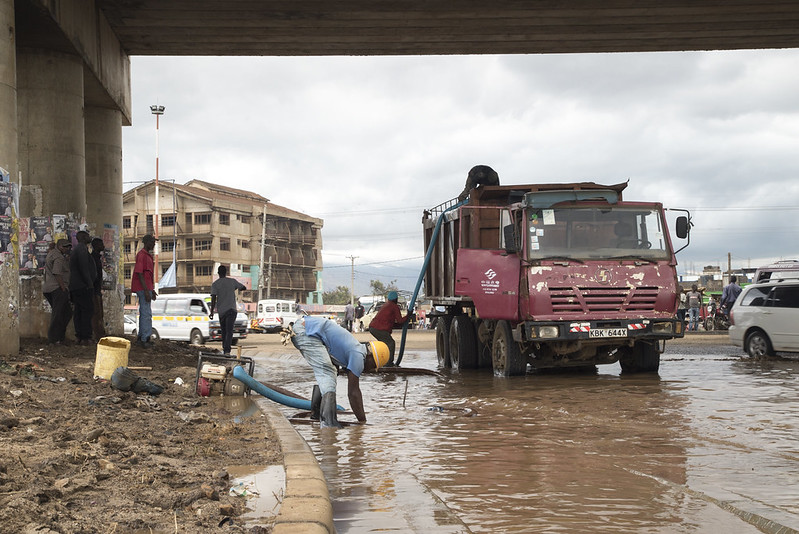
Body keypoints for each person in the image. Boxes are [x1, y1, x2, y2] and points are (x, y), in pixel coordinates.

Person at [289, 315, 390, 427]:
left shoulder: (355, 348)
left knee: (329, 372)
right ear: (370, 356)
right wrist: (362, 422)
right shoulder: (359, 356)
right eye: (372, 366)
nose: (368, 370)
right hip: (306, 331)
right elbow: (353, 393)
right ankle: (328, 423)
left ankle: (316, 414)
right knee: (328, 373)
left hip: (305, 328)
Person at [368, 291, 413, 366]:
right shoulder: (394, 306)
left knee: (385, 344)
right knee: (391, 343)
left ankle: (382, 361)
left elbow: (390, 321)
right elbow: (400, 320)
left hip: (373, 328)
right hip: (378, 329)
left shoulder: (386, 305)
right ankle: (389, 363)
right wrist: (408, 315)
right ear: (396, 299)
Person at [209, 265, 246, 356]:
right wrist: (236, 288)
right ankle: (227, 351)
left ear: (218, 273)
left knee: (224, 330)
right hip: (232, 310)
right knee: (229, 331)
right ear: (226, 273)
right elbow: (243, 287)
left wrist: (211, 312)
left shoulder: (215, 284)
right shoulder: (232, 281)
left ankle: (225, 349)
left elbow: (213, 298)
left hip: (222, 311)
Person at [69, 230, 96, 345]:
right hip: (82, 286)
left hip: (77, 286)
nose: (90, 238)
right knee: (86, 311)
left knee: (79, 311)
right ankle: (86, 337)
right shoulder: (81, 249)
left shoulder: (79, 249)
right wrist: (89, 283)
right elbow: (84, 268)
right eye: (88, 236)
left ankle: (80, 336)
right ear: (84, 238)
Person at [43, 239, 72, 344]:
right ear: (59, 246)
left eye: (68, 247)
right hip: (57, 288)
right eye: (65, 247)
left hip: (49, 288)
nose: (67, 249)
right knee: (59, 314)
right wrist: (63, 287)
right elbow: (57, 273)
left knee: (65, 313)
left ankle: (59, 337)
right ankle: (54, 338)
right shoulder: (58, 257)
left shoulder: (52, 253)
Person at [132, 234, 157, 348]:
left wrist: (152, 290)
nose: (154, 244)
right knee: (146, 314)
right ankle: (145, 339)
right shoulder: (142, 255)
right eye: (152, 242)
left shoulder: (148, 256)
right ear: (147, 242)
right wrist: (147, 291)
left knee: (144, 313)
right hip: (143, 288)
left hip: (146, 288)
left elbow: (148, 276)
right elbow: (140, 273)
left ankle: (141, 337)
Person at [90, 237, 107, 340]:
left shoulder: (96, 258)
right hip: (94, 290)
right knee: (96, 314)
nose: (103, 246)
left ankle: (99, 334)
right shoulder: (93, 259)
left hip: (96, 290)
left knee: (99, 314)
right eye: (101, 244)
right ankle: (98, 335)